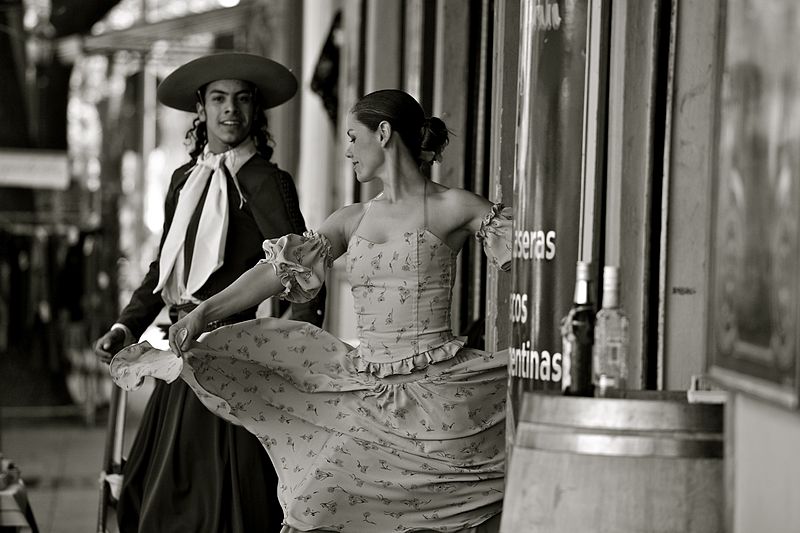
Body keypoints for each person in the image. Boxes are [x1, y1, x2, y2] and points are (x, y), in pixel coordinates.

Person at [111, 89, 511, 532]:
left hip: (438, 401)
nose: (347, 151)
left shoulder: (453, 206)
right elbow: (273, 272)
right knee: (311, 507)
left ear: (382, 133)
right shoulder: (350, 219)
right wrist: (204, 313)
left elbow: (531, 260)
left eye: (353, 138)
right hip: (370, 396)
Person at [94, 52, 325, 533]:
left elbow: (299, 272)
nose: (230, 110)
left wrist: (291, 348)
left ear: (254, 110)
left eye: (242, 99)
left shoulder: (266, 180)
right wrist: (125, 325)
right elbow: (164, 267)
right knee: (151, 490)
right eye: (219, 98)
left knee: (218, 501)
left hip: (236, 360)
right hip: (179, 358)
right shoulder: (183, 180)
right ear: (200, 107)